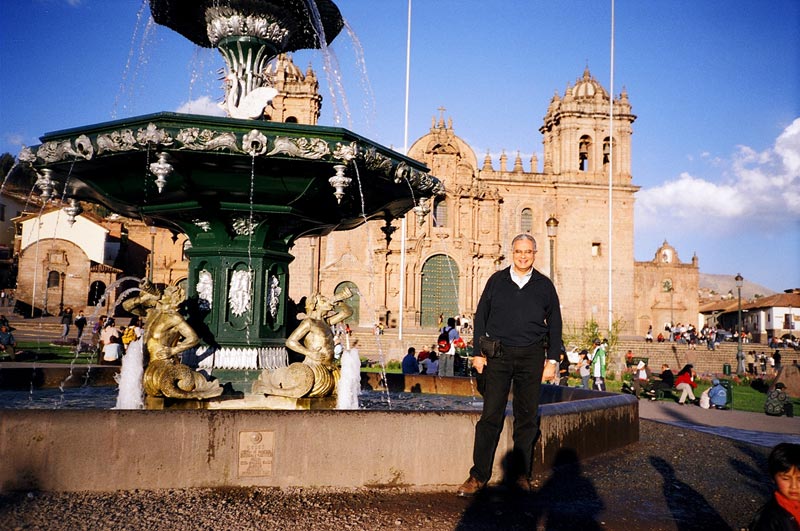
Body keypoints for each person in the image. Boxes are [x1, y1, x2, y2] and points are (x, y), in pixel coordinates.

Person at [458, 233, 562, 496]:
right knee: (489, 417)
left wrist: (552, 361)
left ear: (534, 254)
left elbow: (556, 325)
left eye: (528, 252)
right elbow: (480, 316)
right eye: (519, 251)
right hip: (499, 356)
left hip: (531, 357)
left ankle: (520, 476)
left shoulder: (544, 285)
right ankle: (478, 476)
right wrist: (478, 353)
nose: (523, 256)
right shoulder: (497, 281)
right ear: (512, 253)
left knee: (526, 419)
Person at [748, 443, 800, 530]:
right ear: (773, 478)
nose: (794, 486)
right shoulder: (769, 518)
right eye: (785, 478)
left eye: (799, 479)